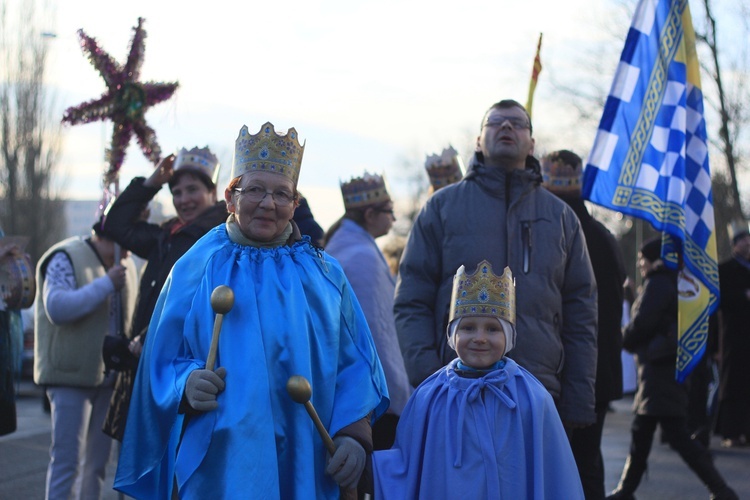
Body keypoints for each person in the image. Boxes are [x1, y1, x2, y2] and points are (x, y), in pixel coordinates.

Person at [114, 122, 389, 499]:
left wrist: (353, 435)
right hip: (222, 465)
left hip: (305, 457)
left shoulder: (326, 275)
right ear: (230, 197)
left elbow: (355, 364)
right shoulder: (197, 267)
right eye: (255, 190)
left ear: (295, 205)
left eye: (281, 194)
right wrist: (185, 383)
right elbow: (161, 360)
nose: (268, 203)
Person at [394, 99, 598, 430]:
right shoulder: (441, 208)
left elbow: (582, 315)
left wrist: (578, 399)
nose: (506, 127)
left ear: (531, 143)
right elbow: (411, 301)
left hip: (539, 394)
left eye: (517, 123)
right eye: (496, 122)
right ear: (478, 140)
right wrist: (429, 377)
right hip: (456, 393)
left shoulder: (561, 218)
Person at [373, 260, 584, 499]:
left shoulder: (533, 400)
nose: (480, 338)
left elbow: (556, 477)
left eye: (493, 329)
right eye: (469, 328)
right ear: (453, 335)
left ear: (509, 336)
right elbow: (404, 466)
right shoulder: (428, 398)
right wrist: (365, 465)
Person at [101, 146, 228, 442]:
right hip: (144, 359)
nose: (184, 200)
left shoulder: (220, 238)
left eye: (192, 190)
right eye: (177, 192)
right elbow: (115, 225)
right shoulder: (165, 236)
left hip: (182, 366)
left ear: (213, 192)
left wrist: (149, 336)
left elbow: (195, 302)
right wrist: (150, 183)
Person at [607, 238, 738, 500]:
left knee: (676, 436)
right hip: (662, 372)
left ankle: (721, 490)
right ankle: (626, 490)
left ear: (655, 259)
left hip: (658, 374)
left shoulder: (658, 284)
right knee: (642, 435)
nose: (640, 264)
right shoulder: (675, 283)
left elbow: (642, 324)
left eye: (643, 258)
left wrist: (622, 338)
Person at [541, 149, 626, 499]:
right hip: (600, 374)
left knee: (557, 468)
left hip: (563, 371)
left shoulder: (555, 233)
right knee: (588, 464)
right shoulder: (604, 236)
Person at [33, 221, 138, 500]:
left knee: (97, 465)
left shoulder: (128, 267)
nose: (128, 251)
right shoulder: (64, 256)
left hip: (109, 376)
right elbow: (57, 307)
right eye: (123, 243)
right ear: (104, 235)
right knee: (66, 461)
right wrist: (106, 284)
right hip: (69, 375)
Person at [325, 172, 411, 450]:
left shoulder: (344, 246)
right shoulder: (362, 258)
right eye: (389, 211)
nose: (394, 219)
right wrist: (396, 392)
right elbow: (376, 334)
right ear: (371, 213)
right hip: (369, 398)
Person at [714, 220, 750, 448]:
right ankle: (731, 431)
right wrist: (743, 296)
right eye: (744, 240)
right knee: (733, 383)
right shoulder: (725, 269)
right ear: (735, 244)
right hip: (734, 336)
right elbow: (720, 300)